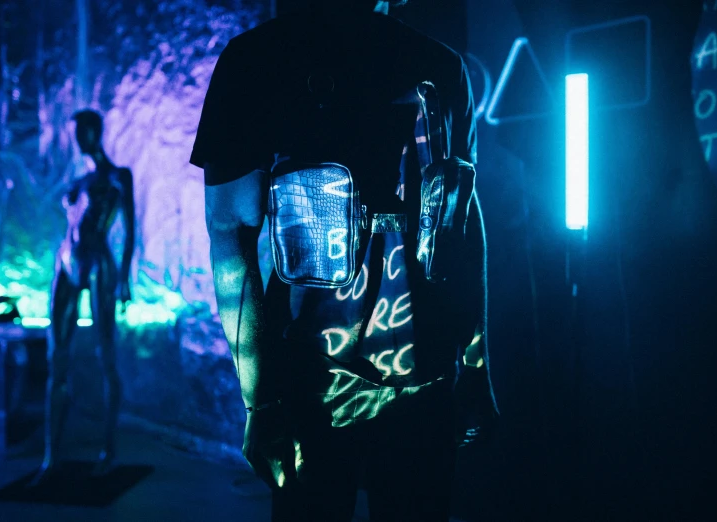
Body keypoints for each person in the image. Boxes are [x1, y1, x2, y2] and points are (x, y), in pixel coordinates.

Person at [191, 1, 498, 520]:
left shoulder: (257, 59)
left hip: (373, 384)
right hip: (336, 387)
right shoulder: (437, 64)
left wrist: (260, 402)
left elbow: (230, 234)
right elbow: (465, 224)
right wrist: (474, 366)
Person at [31, 109, 135, 484]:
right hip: (66, 262)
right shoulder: (81, 180)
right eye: (74, 133)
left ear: (94, 132)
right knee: (56, 356)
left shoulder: (117, 176)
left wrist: (124, 277)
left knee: (106, 354)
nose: (76, 140)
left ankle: (107, 451)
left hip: (97, 262)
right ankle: (50, 457)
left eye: (81, 132)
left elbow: (131, 228)